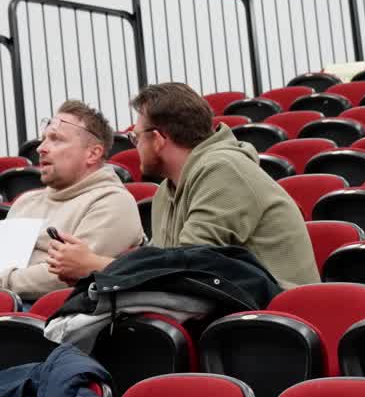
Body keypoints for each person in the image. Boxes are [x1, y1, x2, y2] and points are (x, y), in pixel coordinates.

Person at [48, 83, 320, 290]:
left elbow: (188, 267)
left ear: (158, 139)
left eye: (137, 137)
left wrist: (94, 264)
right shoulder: (167, 192)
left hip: (277, 322)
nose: (135, 147)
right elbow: (160, 263)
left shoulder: (224, 169)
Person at [0, 102, 144, 301]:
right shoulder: (24, 202)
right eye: (43, 140)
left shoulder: (113, 202)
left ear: (93, 153)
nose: (41, 148)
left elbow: (66, 274)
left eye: (56, 139)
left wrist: (3, 282)